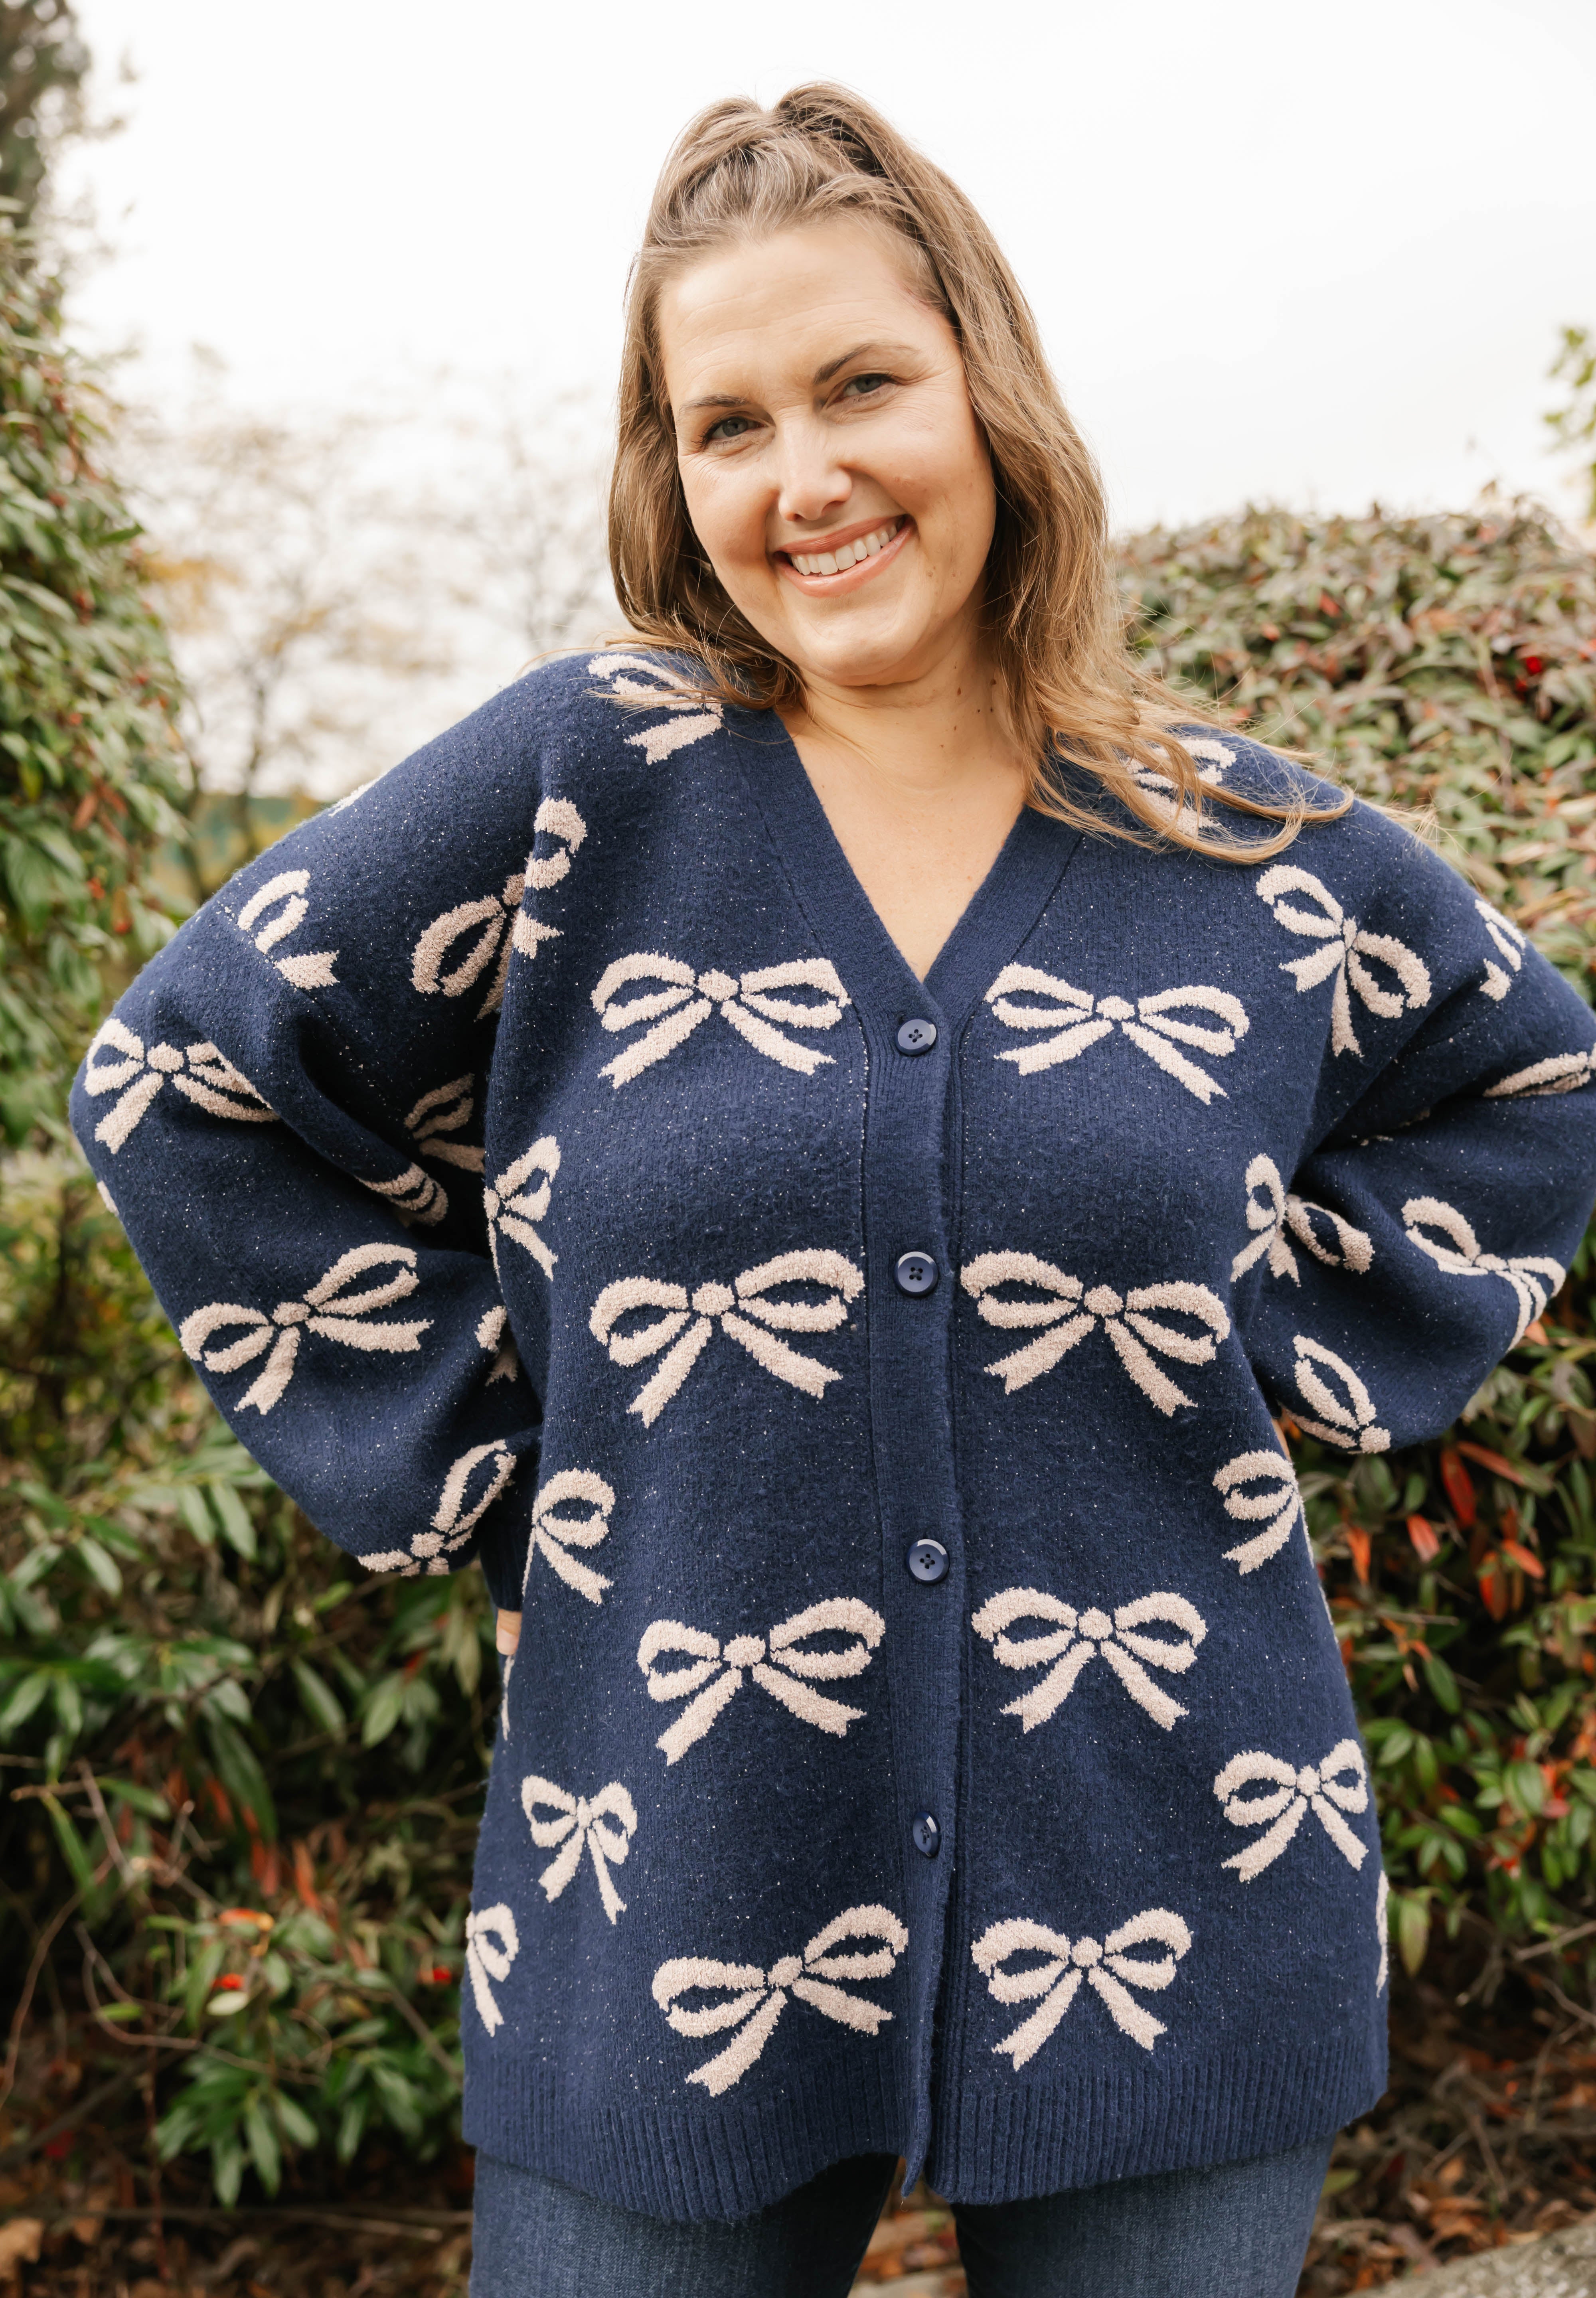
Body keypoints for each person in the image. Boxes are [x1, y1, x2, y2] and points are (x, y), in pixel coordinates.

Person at [73, 83, 1596, 2298]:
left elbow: (1534, 1081)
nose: (806, 478)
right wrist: (507, 1463)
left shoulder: (1246, 858)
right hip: (660, 1904)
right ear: (671, 476)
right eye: (728, 423)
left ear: (987, 383)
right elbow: (185, 1077)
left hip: (1172, 1891)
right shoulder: (587, 788)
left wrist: (1266, 1343)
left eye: (862, 383)